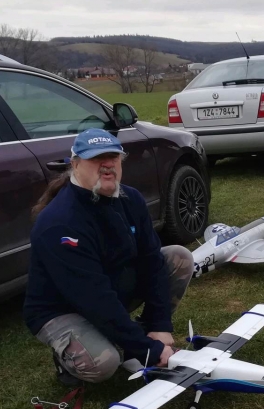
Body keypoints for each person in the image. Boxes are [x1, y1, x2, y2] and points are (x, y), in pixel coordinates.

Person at [24, 128, 195, 385]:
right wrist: (148, 350)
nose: (107, 165)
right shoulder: (60, 223)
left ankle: (137, 333)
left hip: (109, 287)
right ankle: (67, 359)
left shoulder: (131, 199)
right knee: (105, 363)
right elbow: (93, 297)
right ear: (75, 164)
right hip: (62, 309)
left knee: (179, 257)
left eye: (113, 157)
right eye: (96, 158)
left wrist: (159, 325)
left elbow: (152, 262)